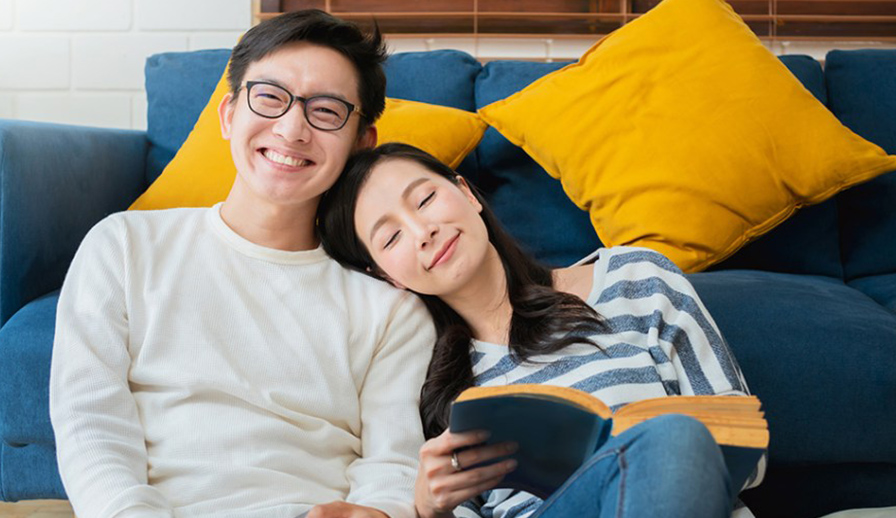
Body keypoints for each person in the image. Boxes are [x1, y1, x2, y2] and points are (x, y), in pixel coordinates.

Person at [49, 11, 435, 518]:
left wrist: (378, 511)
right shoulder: (123, 244)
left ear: (362, 142)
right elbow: (90, 421)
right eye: (270, 98)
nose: (292, 129)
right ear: (229, 114)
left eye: (326, 111)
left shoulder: (392, 307)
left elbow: (393, 460)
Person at [317, 143, 766, 518]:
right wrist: (430, 507)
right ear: (388, 276)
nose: (422, 232)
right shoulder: (424, 380)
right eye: (391, 238)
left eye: (425, 200)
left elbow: (752, 453)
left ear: (466, 193)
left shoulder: (636, 279)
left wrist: (645, 452)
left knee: (675, 439)